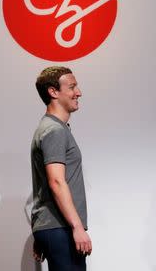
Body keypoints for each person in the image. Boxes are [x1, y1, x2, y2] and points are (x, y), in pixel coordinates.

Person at [30, 66, 92, 270]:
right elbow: (56, 181)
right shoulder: (54, 130)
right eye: (72, 87)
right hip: (61, 229)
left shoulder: (52, 128)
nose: (79, 92)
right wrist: (76, 227)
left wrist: (42, 230)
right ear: (53, 92)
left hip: (55, 228)